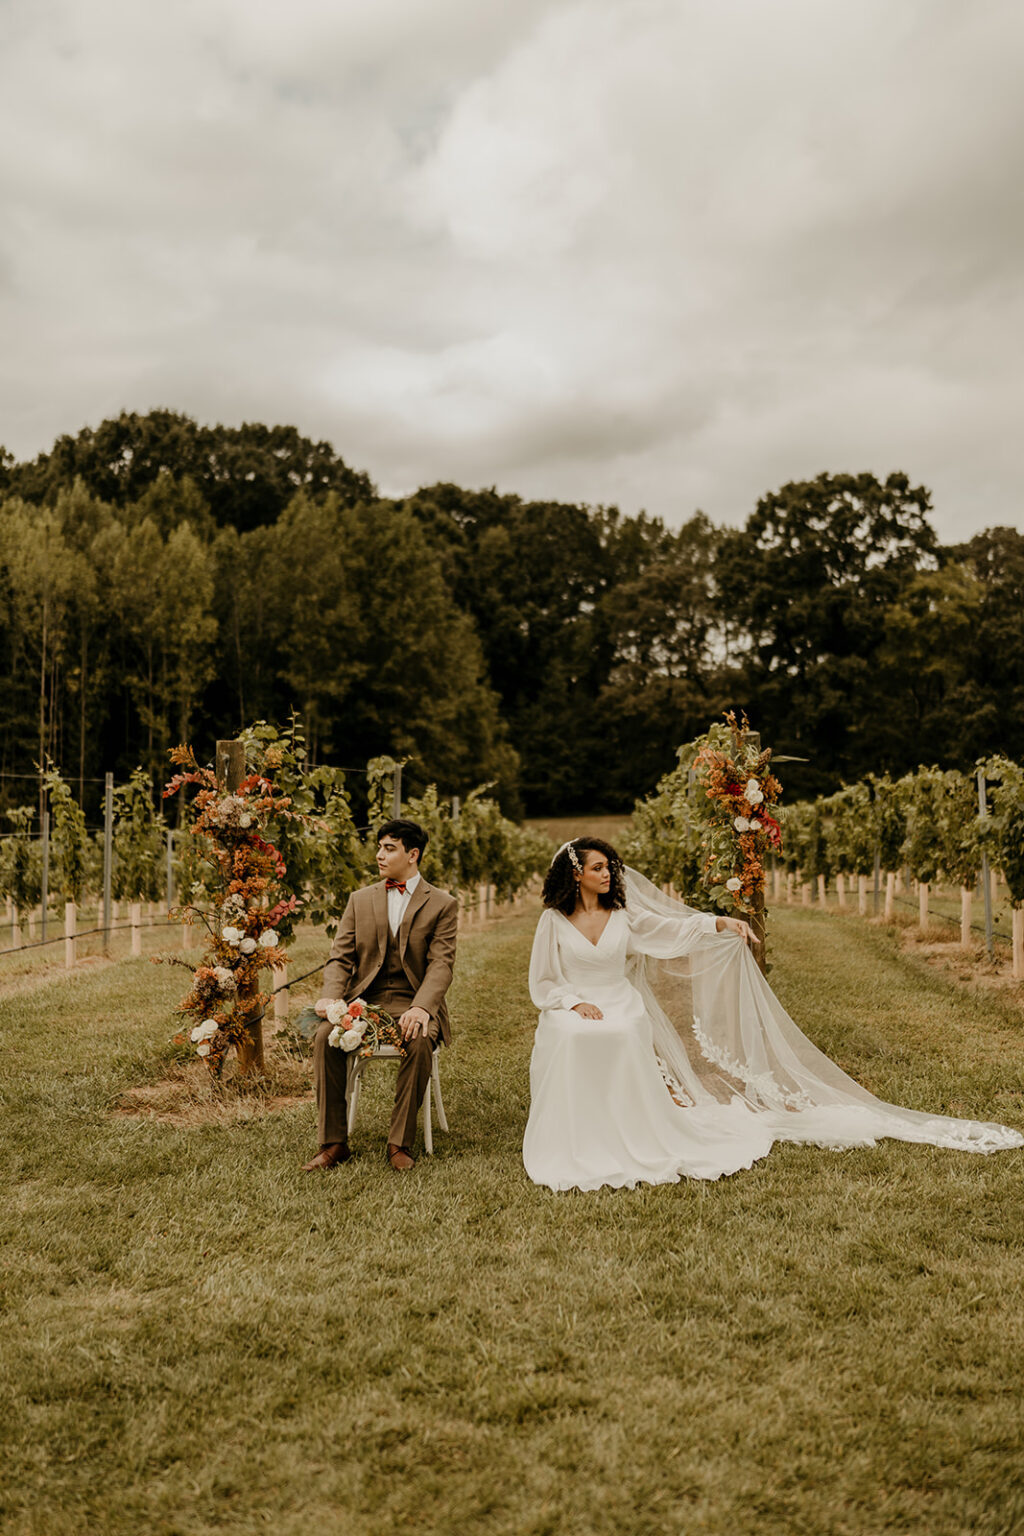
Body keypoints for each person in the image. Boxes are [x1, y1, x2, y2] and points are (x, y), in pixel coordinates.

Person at [524, 837, 1023, 1192]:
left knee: (627, 1028)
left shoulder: (624, 915)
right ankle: (582, 1132)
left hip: (620, 1000)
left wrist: (719, 921)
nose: (607, 872)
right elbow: (543, 982)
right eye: (597, 867)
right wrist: (571, 1002)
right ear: (575, 873)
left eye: (609, 865)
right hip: (574, 1001)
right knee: (574, 1035)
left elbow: (669, 930)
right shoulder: (553, 922)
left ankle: (632, 1128)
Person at [303, 818, 458, 1174]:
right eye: (379, 847)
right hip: (365, 1001)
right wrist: (330, 997)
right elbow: (341, 957)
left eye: (389, 848)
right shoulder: (360, 900)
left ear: (413, 854)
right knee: (325, 1036)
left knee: (417, 1039)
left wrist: (421, 1007)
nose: (379, 855)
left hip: (413, 999)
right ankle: (333, 1143)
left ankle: (399, 1142)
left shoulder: (442, 904)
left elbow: (442, 965)